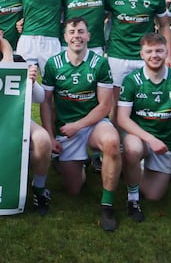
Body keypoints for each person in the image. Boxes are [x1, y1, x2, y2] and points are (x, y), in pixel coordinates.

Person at [41, 17, 122, 230]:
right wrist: (50, 135)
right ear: (65, 37)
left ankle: (107, 205)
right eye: (72, 32)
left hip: (93, 124)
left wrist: (78, 125)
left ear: (88, 36)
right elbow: (46, 103)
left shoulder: (100, 63)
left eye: (81, 31)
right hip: (66, 130)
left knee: (112, 142)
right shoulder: (53, 64)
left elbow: (105, 106)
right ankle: (79, 162)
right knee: (74, 189)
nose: (77, 35)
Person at [0, 15, 53, 215]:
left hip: (14, 117)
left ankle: (39, 188)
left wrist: (31, 82)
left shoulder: (16, 60)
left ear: (1, 34)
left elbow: (40, 98)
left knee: (42, 139)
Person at [118, 33, 171, 222]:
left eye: (159, 51)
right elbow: (122, 119)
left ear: (167, 53)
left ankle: (136, 169)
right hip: (141, 138)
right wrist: (150, 139)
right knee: (132, 148)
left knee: (153, 195)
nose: (154, 55)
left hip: (164, 144)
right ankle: (132, 198)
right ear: (141, 54)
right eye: (149, 51)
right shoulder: (132, 80)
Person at [105, 0, 171, 122]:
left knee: (147, 102)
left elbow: (164, 24)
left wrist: (169, 55)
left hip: (146, 56)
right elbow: (100, 19)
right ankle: (117, 144)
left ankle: (146, 143)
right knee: (117, 105)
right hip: (118, 56)